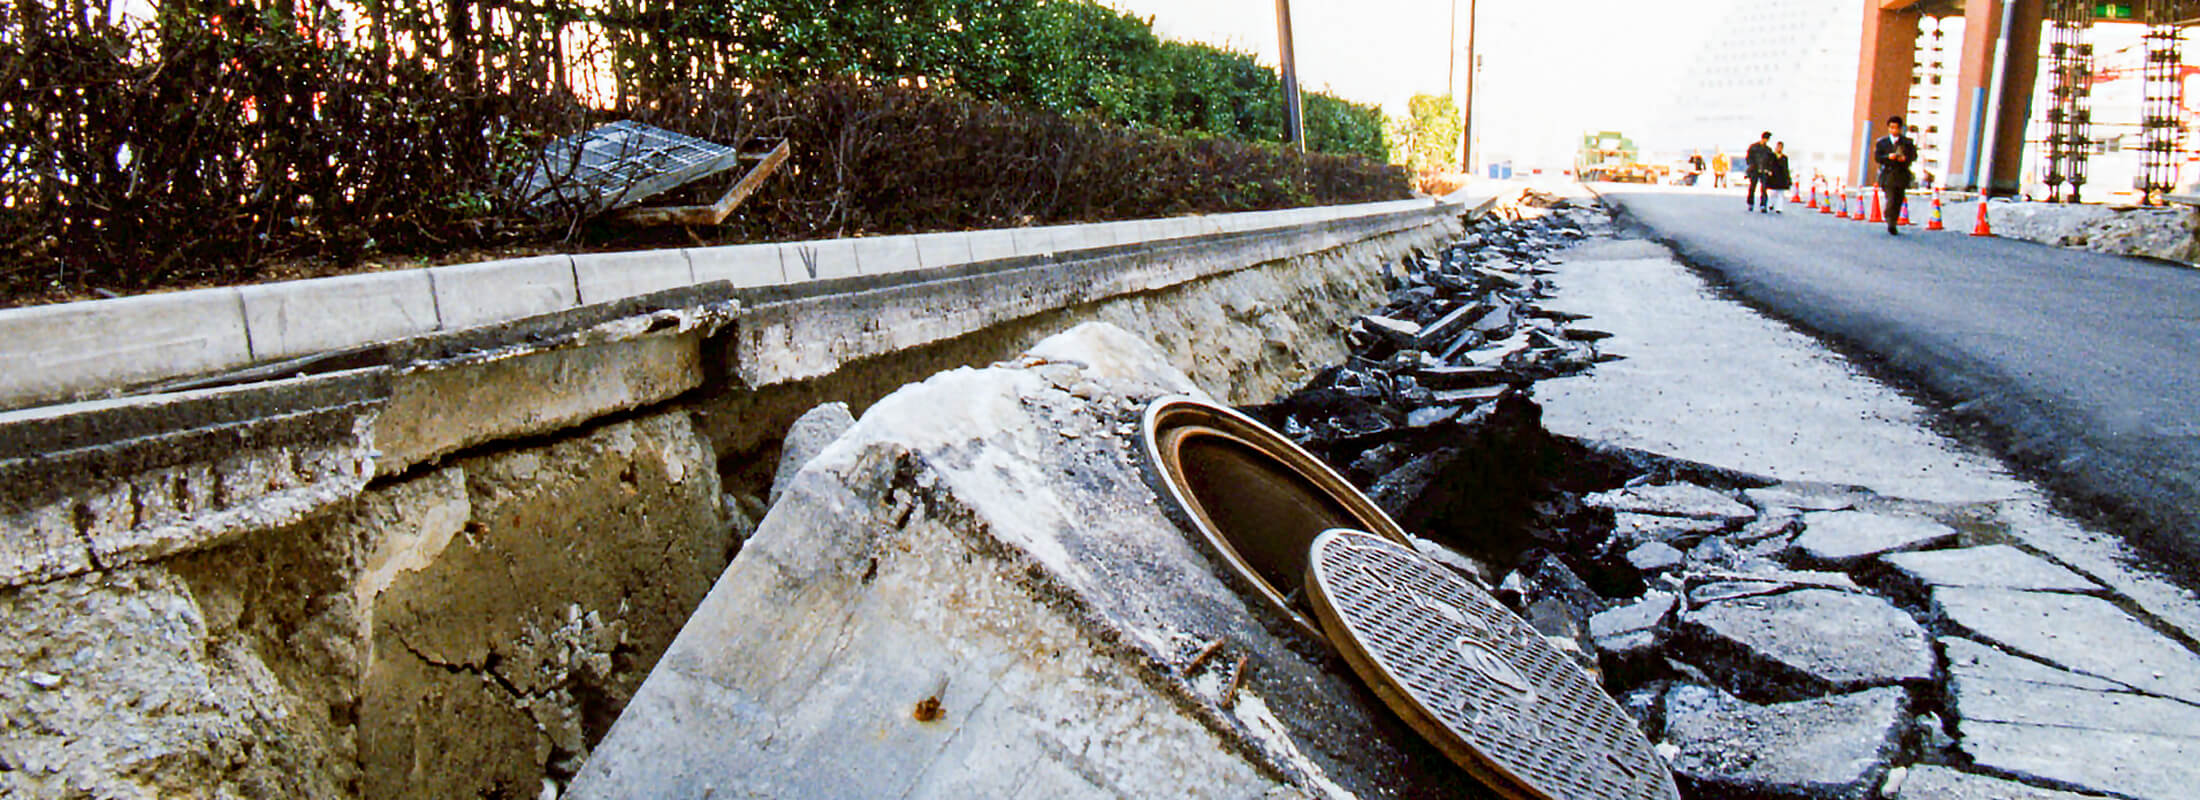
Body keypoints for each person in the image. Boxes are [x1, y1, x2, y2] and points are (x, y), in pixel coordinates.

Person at [1873, 116, 1918, 235]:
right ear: (1888, 128)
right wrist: (1888, 157)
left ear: (1901, 129)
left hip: (1902, 174)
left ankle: (1893, 220)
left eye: (1897, 128)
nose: (1894, 130)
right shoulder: (1882, 142)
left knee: (1898, 199)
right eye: (1892, 128)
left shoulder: (1907, 142)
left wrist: (1905, 158)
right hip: (1888, 174)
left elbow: (1914, 156)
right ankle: (1890, 220)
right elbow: (1878, 158)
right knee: (1891, 198)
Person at [1744, 132, 1774, 212]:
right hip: (1754, 170)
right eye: (1766, 139)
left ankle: (1763, 205)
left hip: (1764, 171)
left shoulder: (1768, 149)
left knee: (1764, 189)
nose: (1766, 141)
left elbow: (1771, 161)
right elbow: (1748, 158)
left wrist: (1768, 169)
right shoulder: (1754, 147)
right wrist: (1752, 166)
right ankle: (1750, 204)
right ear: (1763, 138)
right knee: (1752, 187)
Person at [1764, 141, 1792, 213]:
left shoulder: (1784, 158)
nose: (1779, 149)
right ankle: (1771, 204)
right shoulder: (1771, 156)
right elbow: (1768, 165)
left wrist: (1788, 179)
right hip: (1773, 177)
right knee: (1772, 192)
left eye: (1781, 147)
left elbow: (1786, 168)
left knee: (1780, 194)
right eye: (1778, 147)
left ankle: (1779, 208)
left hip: (1781, 178)